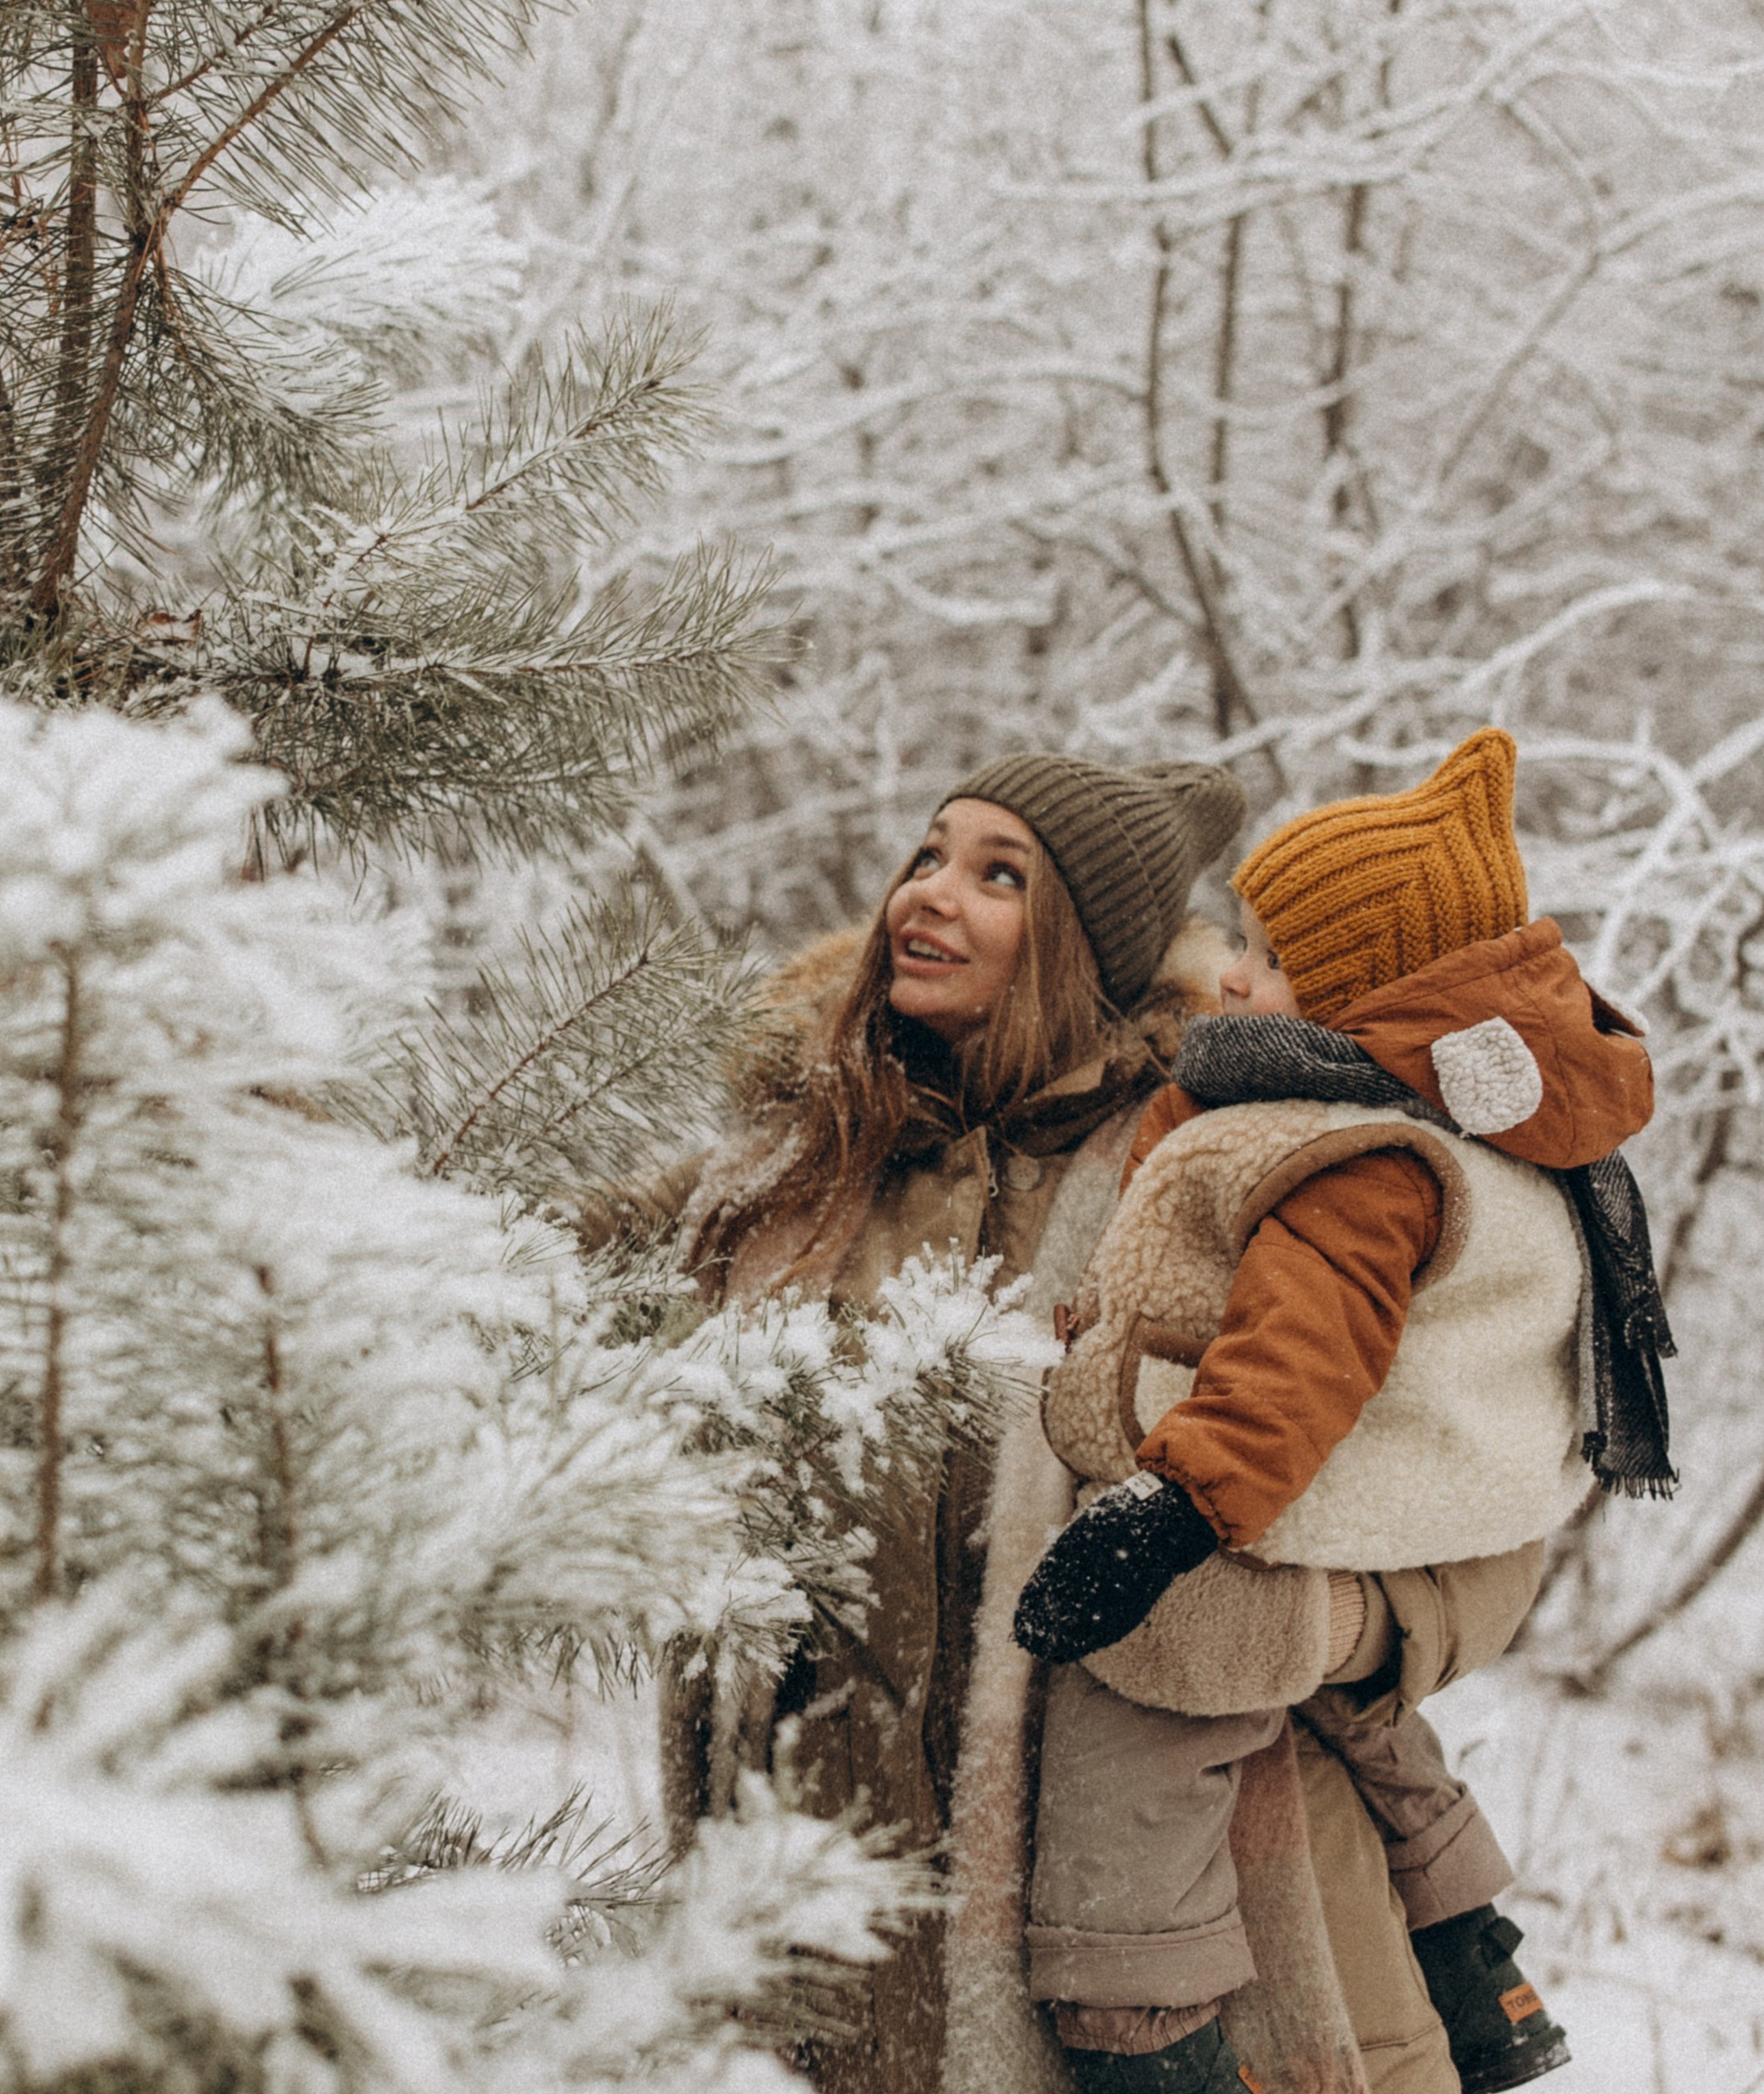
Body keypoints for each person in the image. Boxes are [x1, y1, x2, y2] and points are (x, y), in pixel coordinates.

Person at [1011, 730, 1674, 2094]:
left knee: (1147, 1692)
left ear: (1375, 990)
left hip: (1260, 1503)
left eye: (1271, 955)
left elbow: (1293, 1360)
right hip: (1383, 1531)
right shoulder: (1472, 1127)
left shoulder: (1355, 1159)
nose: (1234, 976)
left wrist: (1175, 1507)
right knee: (1355, 1712)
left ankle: (1142, 2020)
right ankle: (1475, 1958)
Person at [616, 752, 1248, 2094]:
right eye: (929, 854)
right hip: (795, 1835)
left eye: (999, 875)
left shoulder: (1176, 1177)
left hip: (1065, 1877)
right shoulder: (809, 1155)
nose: (932, 894)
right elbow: (545, 1254)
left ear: (1083, 944)